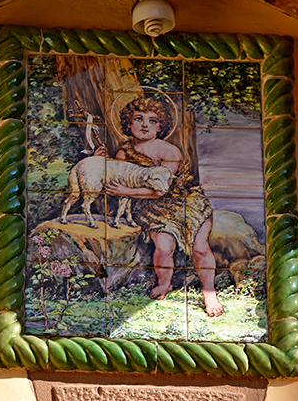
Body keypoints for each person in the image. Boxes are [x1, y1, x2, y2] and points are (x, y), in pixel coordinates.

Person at [96, 96, 224, 317]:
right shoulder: (125, 152)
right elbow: (118, 177)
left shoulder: (168, 152)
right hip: (152, 209)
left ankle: (209, 292)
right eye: (139, 118)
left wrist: (126, 192)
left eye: (152, 120)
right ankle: (165, 284)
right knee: (164, 246)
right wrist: (102, 161)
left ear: (161, 126)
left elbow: (161, 190)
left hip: (186, 203)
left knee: (199, 247)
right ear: (129, 123)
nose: (145, 125)